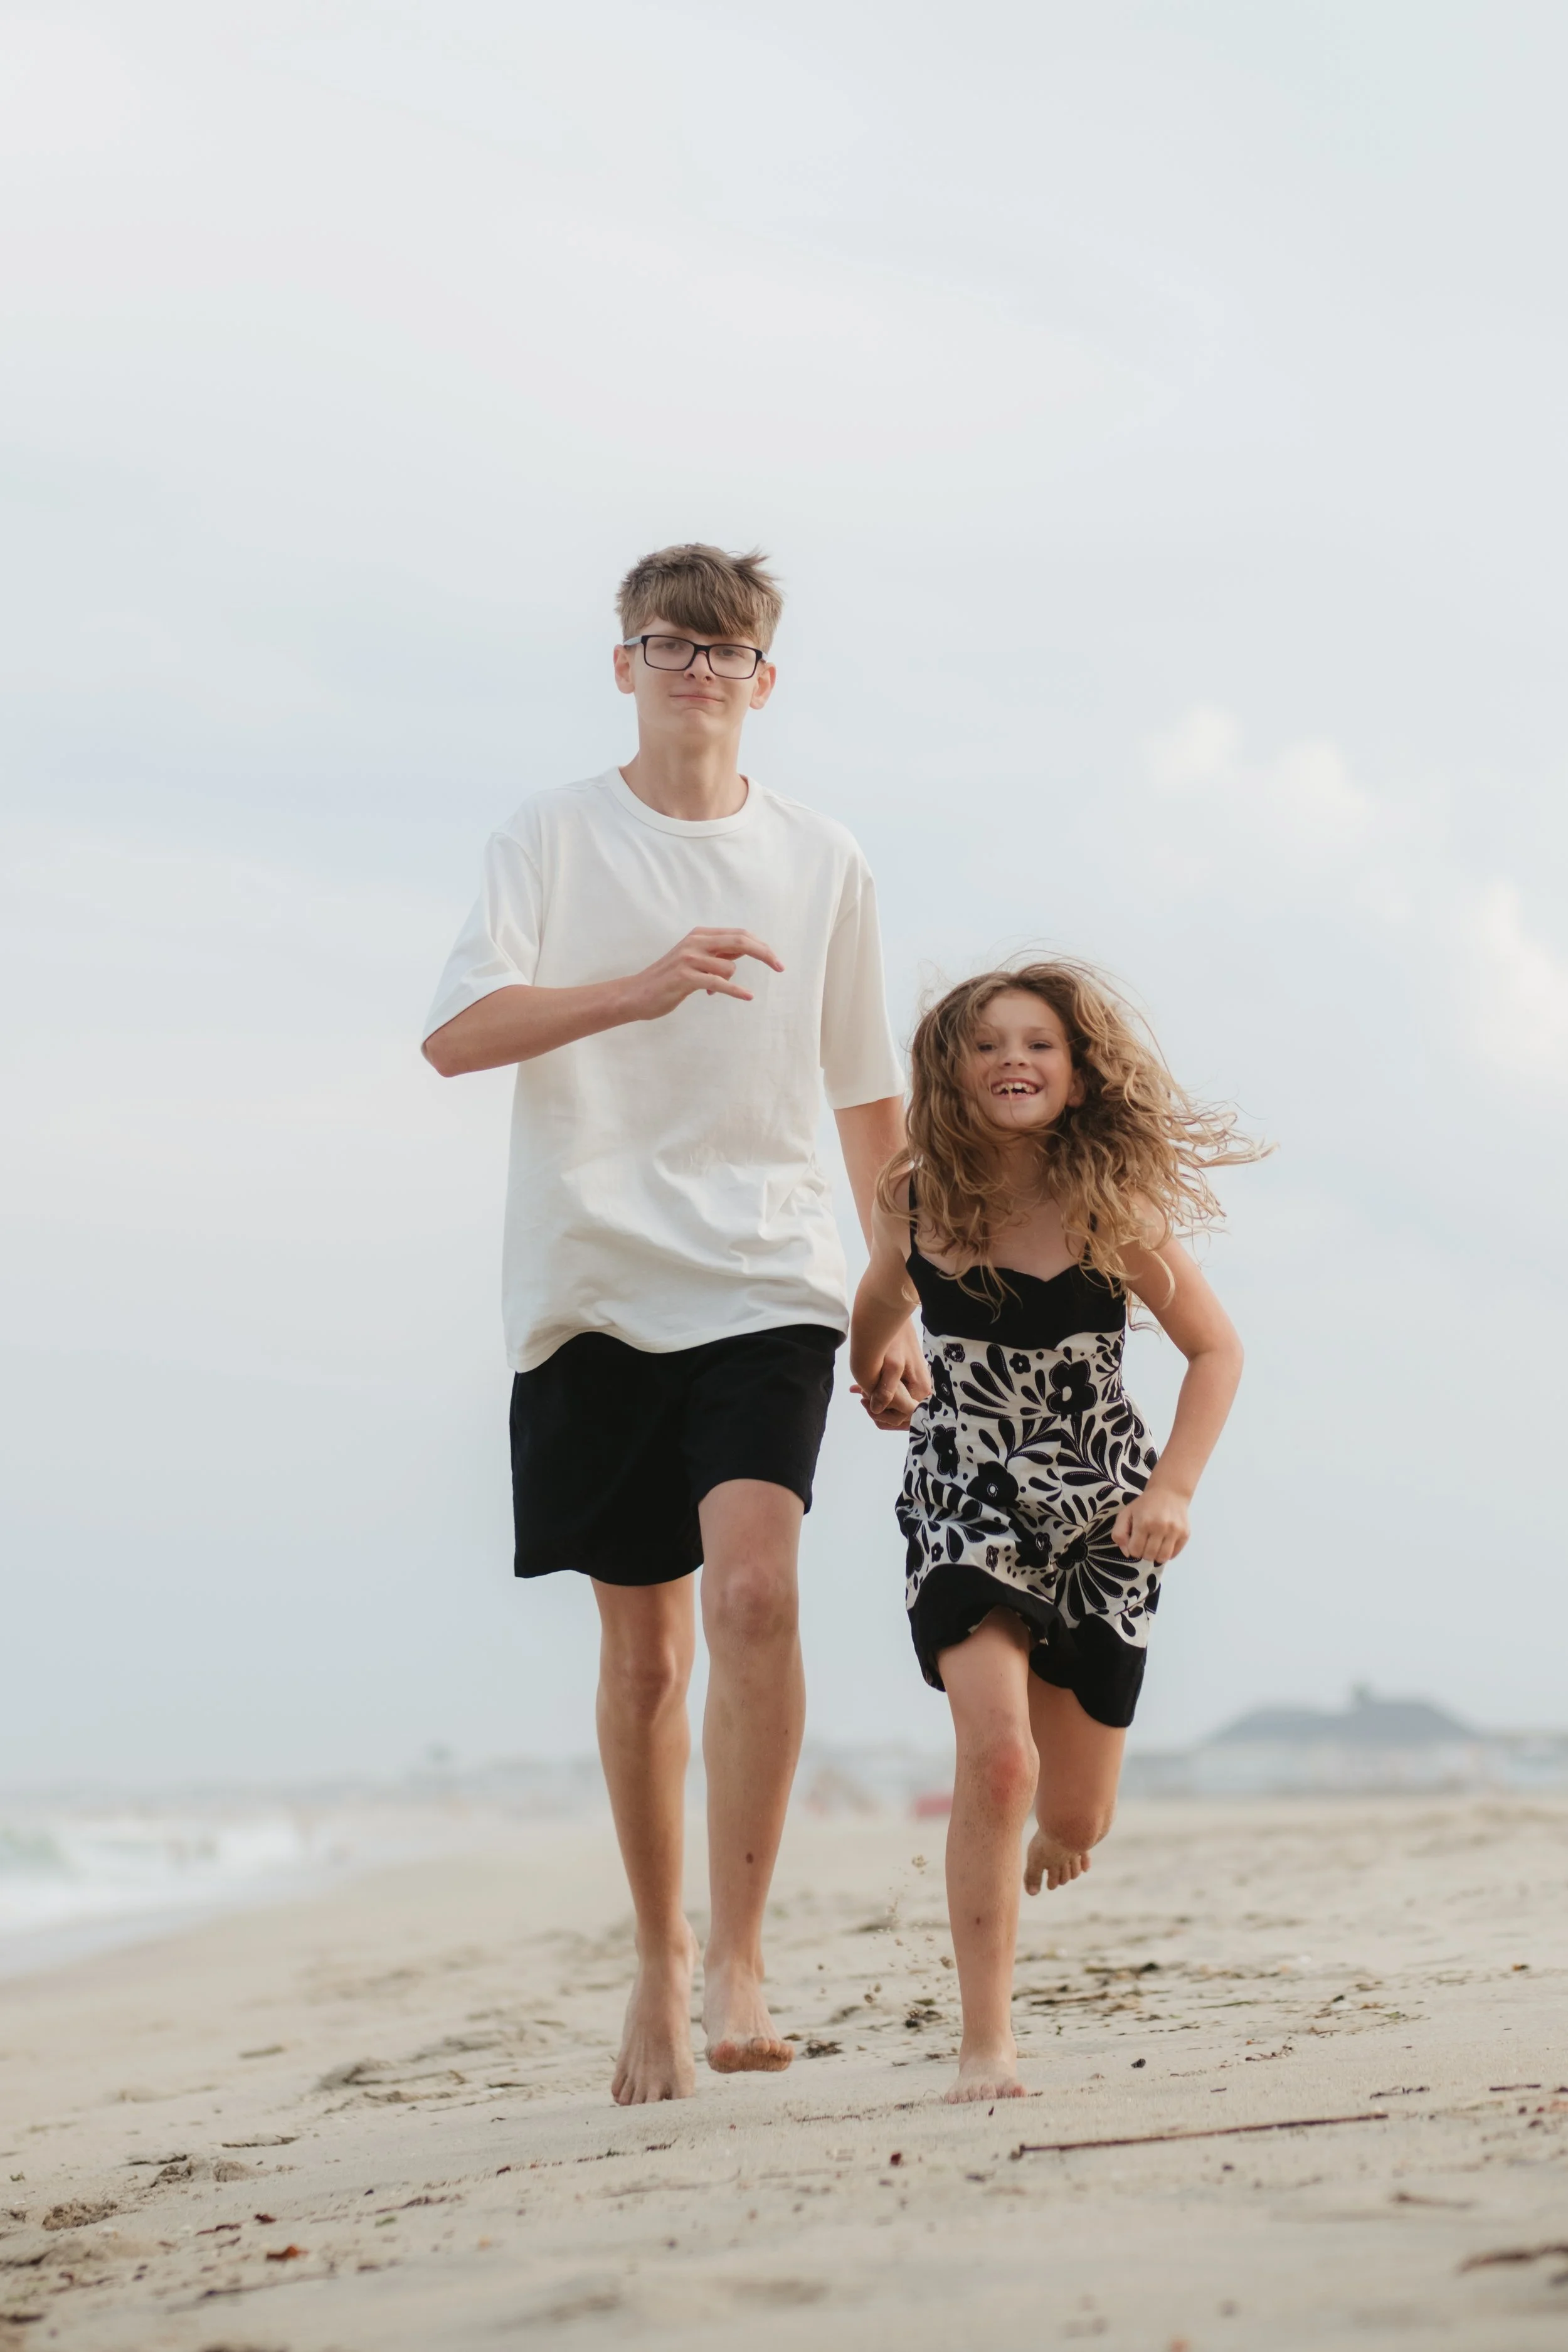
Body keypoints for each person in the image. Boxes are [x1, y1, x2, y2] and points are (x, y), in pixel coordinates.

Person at [421, 544, 928, 2106]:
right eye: (668, 645)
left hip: (766, 1272)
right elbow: (455, 1035)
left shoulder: (821, 856)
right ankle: (653, 1956)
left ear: (763, 682)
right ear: (623, 663)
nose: (697, 672)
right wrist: (634, 991)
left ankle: (739, 1954)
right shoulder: (549, 838)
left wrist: (891, 1301)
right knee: (643, 1659)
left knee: (756, 1597)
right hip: (586, 1280)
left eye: (725, 654)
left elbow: (864, 1102)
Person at [849, 961, 1256, 2103]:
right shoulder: (916, 1199)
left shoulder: (1112, 1214)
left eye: (1038, 1043)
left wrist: (1172, 1488)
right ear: (952, 1070)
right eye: (987, 1044)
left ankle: (1057, 1828)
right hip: (962, 1495)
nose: (1012, 1060)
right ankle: (987, 2042)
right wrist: (877, 1372)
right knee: (999, 1758)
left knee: (1074, 1809)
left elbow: (1217, 1351)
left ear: (1078, 1077)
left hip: (1101, 1514)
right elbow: (880, 1300)